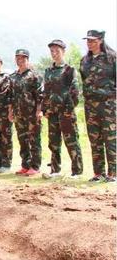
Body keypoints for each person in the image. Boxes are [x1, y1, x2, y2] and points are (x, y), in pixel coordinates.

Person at [41, 40, 83, 179]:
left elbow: (75, 92)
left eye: (57, 51)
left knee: (71, 142)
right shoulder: (48, 71)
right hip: (52, 113)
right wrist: (44, 109)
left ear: (63, 52)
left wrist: (69, 110)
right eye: (52, 51)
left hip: (66, 113)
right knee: (53, 143)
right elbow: (46, 92)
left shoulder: (69, 70)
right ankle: (55, 170)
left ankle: (76, 171)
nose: (54, 54)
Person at [79, 30, 116, 182]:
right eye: (88, 40)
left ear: (100, 40)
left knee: (111, 138)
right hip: (90, 106)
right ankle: (98, 173)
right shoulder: (84, 60)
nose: (89, 43)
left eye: (92, 40)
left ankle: (113, 174)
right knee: (95, 139)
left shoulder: (112, 58)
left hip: (108, 105)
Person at [9, 49, 43, 176]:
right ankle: (25, 165)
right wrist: (10, 111)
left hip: (32, 114)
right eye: (18, 58)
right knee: (22, 140)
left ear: (27, 59)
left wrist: (39, 111)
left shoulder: (34, 75)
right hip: (18, 114)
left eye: (23, 58)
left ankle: (35, 166)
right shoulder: (13, 76)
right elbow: (11, 96)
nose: (20, 60)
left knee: (34, 139)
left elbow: (40, 95)